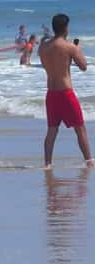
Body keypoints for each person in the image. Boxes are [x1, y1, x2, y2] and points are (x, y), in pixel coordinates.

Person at [40, 13, 92, 167]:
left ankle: (47, 164)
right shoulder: (69, 46)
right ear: (65, 28)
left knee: (52, 130)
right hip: (65, 93)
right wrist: (77, 50)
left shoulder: (44, 48)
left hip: (51, 93)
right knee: (80, 128)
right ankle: (89, 161)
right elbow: (83, 66)